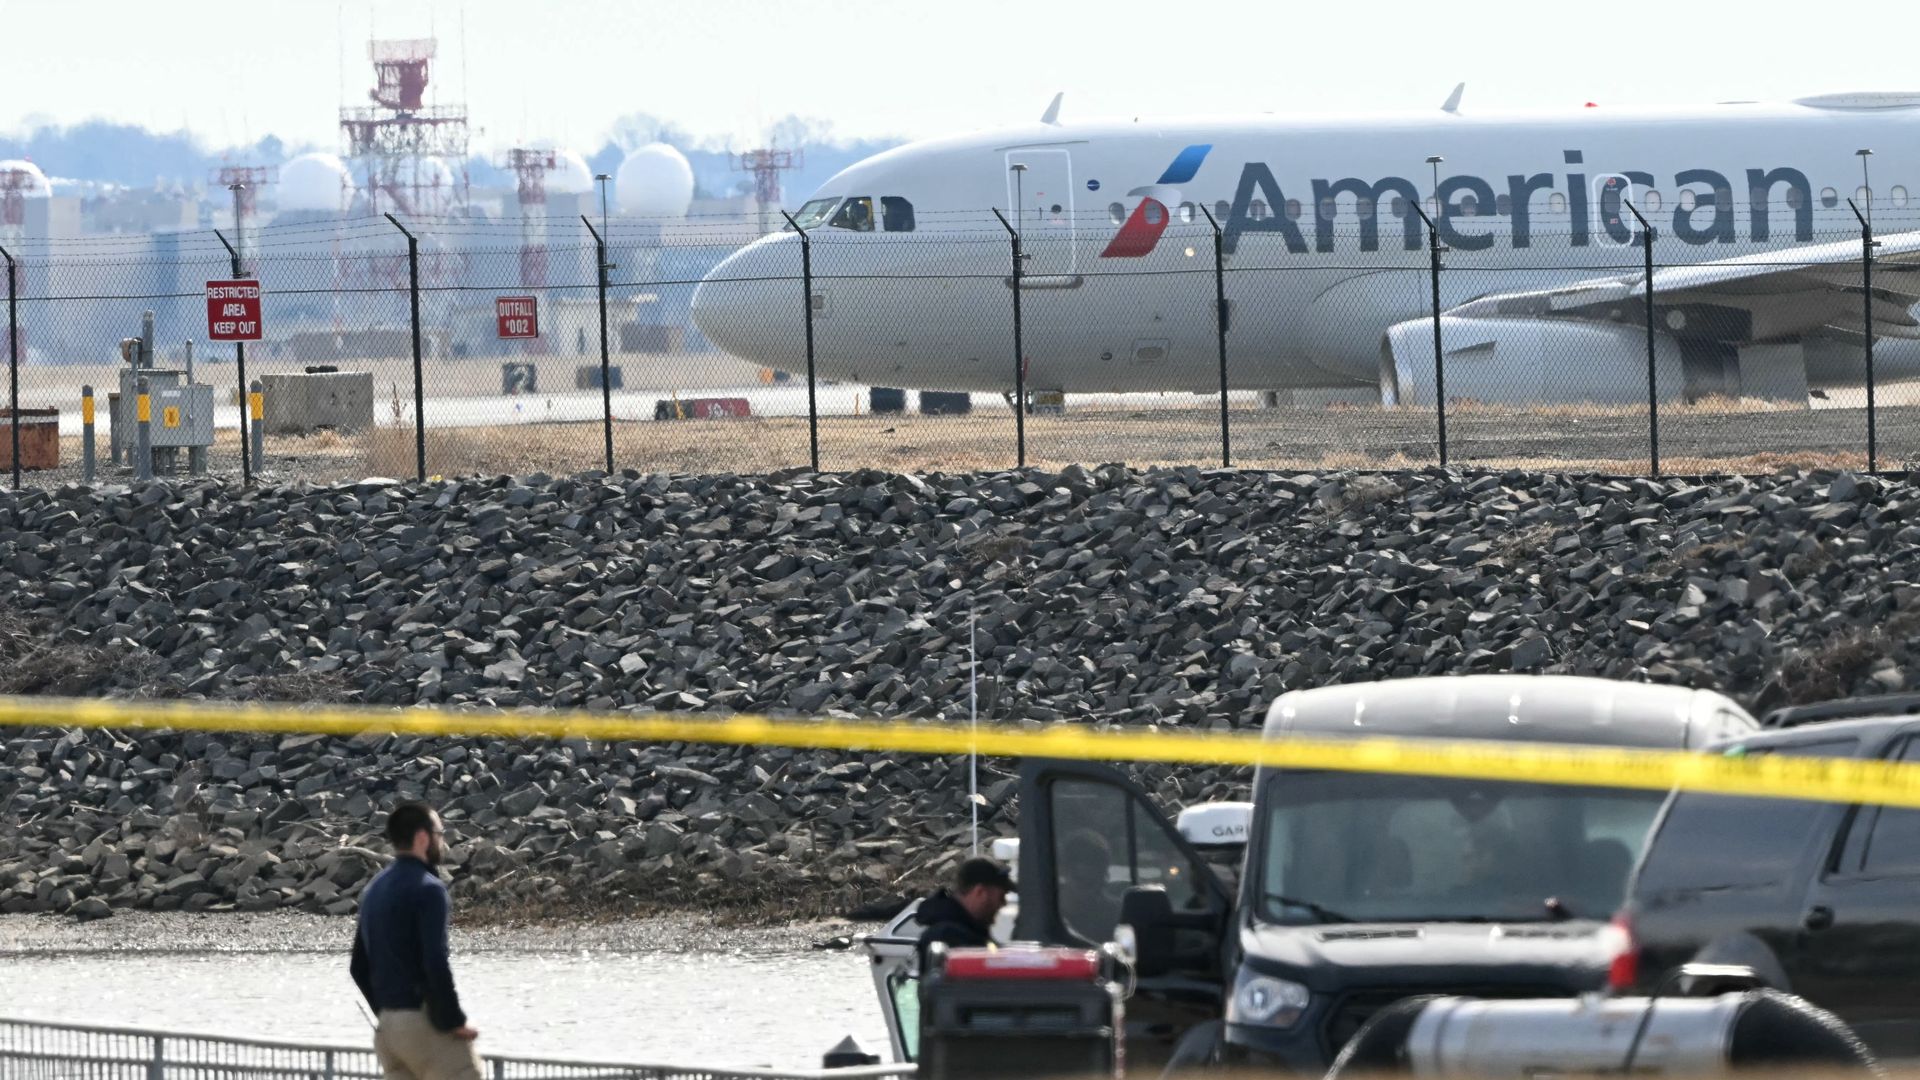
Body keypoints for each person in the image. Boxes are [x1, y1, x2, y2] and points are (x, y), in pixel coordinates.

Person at [350, 803, 481, 1080]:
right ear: (423, 837)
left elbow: (358, 967)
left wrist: (387, 1014)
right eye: (440, 833)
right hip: (423, 1025)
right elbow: (435, 960)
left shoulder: (374, 889)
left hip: (388, 1030)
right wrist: (452, 1020)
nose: (442, 841)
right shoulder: (429, 889)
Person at [914, 856, 1014, 973]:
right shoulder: (948, 937)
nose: (1003, 904)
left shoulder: (971, 932)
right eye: (1001, 897)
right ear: (980, 892)